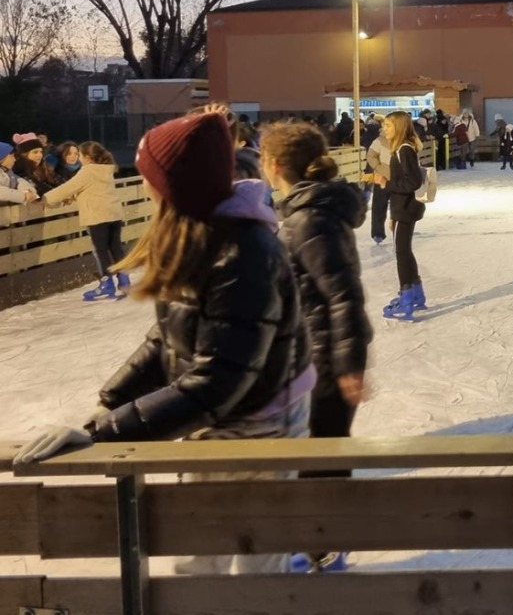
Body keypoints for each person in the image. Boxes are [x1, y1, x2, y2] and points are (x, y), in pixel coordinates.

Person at [16, 112, 312, 577]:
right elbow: (166, 339)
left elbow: (217, 380)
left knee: (255, 567)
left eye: (150, 177)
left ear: (176, 185)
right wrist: (106, 406)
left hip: (261, 422)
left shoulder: (244, 254)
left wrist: (104, 434)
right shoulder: (195, 233)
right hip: (215, 416)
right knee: (198, 558)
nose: (145, 187)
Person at [260, 121, 372, 574]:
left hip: (322, 360)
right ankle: (320, 544)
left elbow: (343, 295)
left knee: (320, 456)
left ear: (273, 164)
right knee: (315, 454)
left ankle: (324, 546)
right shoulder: (305, 210)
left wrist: (348, 366)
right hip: (311, 355)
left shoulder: (309, 218)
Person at [41, 141, 128, 300]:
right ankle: (124, 279)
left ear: (87, 157)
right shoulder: (105, 170)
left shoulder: (88, 171)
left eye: (80, 155)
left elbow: (68, 187)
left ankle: (106, 283)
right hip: (114, 214)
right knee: (116, 247)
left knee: (101, 250)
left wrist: (45, 198)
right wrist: (73, 196)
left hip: (97, 216)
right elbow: (90, 189)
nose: (78, 158)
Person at [379, 110, 426, 320]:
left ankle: (406, 297)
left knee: (401, 252)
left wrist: (386, 183)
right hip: (405, 208)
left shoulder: (403, 149)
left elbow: (412, 182)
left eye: (388, 126)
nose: (384, 129)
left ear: (398, 127)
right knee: (405, 250)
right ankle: (416, 293)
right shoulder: (403, 148)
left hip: (405, 208)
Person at [365, 120, 391, 244]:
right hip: (382, 178)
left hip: (399, 178)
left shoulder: (403, 140)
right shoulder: (378, 141)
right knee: (379, 206)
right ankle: (377, 232)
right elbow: (370, 156)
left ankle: (400, 230)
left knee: (400, 206)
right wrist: (379, 167)